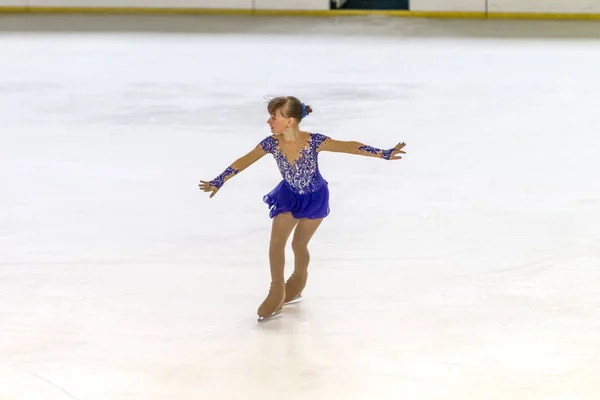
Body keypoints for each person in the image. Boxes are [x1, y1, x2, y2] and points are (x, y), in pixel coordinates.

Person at [199, 96, 406, 322]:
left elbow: (349, 147)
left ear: (289, 121)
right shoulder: (271, 143)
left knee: (299, 244)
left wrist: (382, 153)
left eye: (273, 117)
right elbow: (244, 160)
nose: (269, 121)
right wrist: (220, 180)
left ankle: (298, 280)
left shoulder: (314, 141)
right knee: (276, 243)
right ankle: (276, 290)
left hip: (315, 198)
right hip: (289, 197)